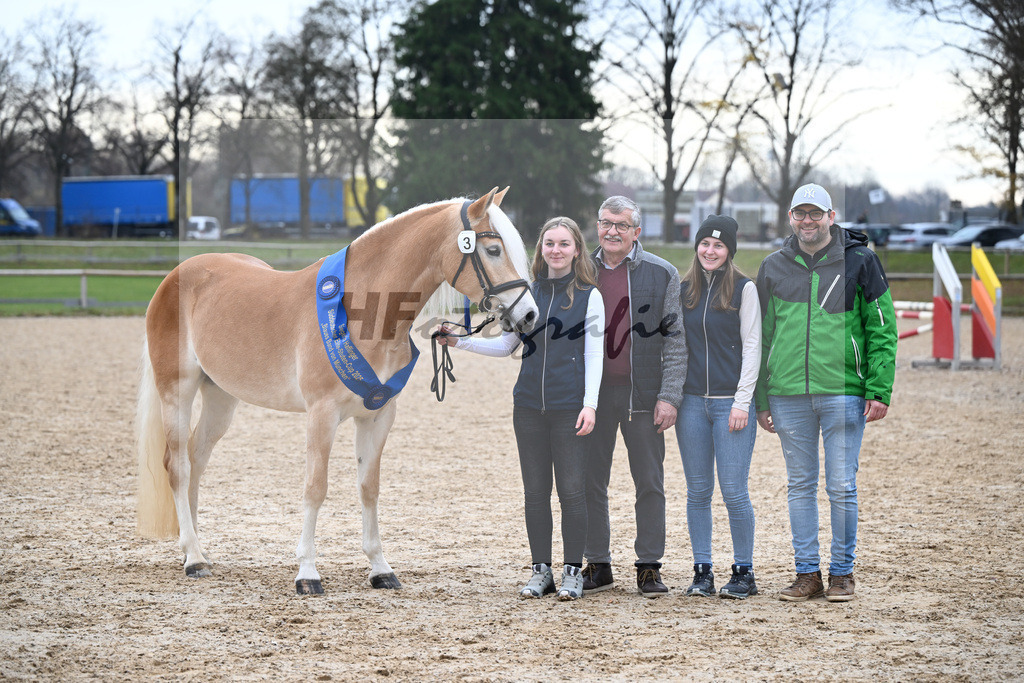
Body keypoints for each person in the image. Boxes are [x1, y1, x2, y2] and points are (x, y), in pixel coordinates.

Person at [437, 217, 605, 601]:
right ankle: (540, 570)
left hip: (569, 408)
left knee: (572, 493)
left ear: (577, 250)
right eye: (549, 243)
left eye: (564, 244)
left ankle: (572, 572)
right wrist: (458, 342)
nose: (556, 250)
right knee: (535, 493)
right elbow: (506, 346)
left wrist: (590, 405)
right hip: (528, 406)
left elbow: (595, 356)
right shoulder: (526, 291)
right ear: (540, 249)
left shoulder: (589, 296)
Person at [755, 183, 898, 602]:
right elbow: (761, 337)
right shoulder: (773, 267)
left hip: (843, 393)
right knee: (799, 485)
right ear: (791, 218)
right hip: (787, 395)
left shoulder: (862, 262)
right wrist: (763, 398)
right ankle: (807, 574)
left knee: (841, 485)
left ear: (831, 217)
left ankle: (841, 573)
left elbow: (882, 330)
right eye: (800, 213)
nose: (808, 221)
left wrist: (879, 388)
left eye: (816, 213)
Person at [582, 195, 687, 598]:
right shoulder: (580, 270)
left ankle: (648, 566)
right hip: (592, 394)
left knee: (649, 481)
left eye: (621, 225)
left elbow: (675, 342)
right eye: (606, 223)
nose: (612, 231)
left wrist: (670, 396)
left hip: (643, 395)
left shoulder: (662, 273)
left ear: (636, 232)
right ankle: (598, 563)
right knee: (591, 479)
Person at [676, 215, 761, 600]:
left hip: (731, 403)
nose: (710, 251)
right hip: (692, 403)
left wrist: (742, 402)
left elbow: (753, 348)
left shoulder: (744, 290)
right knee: (697, 492)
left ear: (729, 252)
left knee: (733, 491)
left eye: (719, 246)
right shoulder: (684, 291)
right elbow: (674, 348)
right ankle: (702, 570)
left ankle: (744, 571)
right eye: (705, 245)